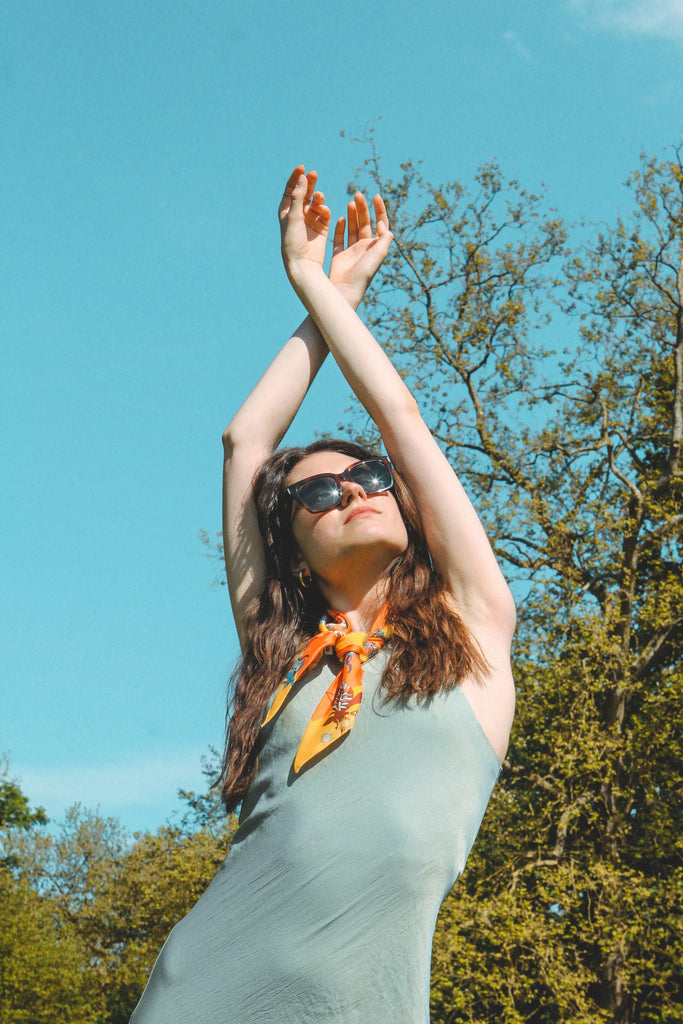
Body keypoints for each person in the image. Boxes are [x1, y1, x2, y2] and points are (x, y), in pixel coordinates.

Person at [130, 165, 516, 1023]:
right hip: (203, 990)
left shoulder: (476, 624)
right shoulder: (284, 658)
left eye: (369, 475)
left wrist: (329, 285)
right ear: (293, 554)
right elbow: (246, 439)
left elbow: (402, 420)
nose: (353, 490)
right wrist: (315, 292)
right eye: (316, 493)